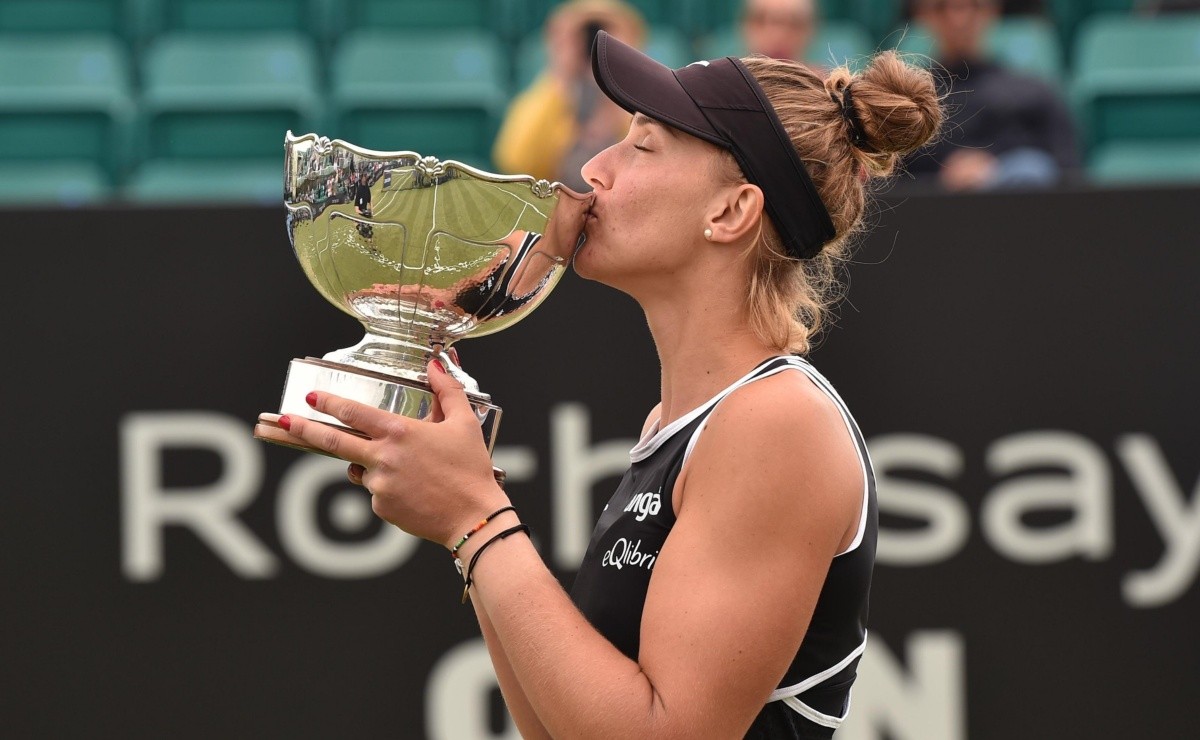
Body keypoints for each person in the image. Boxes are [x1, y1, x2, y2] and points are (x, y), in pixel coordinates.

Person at [274, 31, 940, 739]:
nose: (595, 168)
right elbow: (558, 729)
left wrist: (477, 518)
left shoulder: (775, 423)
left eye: (643, 147)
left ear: (730, 212)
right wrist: (462, 522)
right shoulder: (678, 420)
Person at [904, 0, 1079, 189]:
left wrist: (994, 168)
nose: (958, 19)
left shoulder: (1034, 93)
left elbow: (1068, 170)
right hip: (930, 211)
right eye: (941, 7)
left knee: (1031, 167)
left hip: (1018, 210)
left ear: (991, 10)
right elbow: (889, 182)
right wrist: (946, 177)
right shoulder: (908, 102)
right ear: (922, 15)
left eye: (973, 5)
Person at [492, 0, 646, 190]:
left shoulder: (645, 104)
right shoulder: (545, 97)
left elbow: (650, 164)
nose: (592, 44)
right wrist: (562, 75)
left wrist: (619, 77)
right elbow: (514, 160)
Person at [741, 0, 819, 61]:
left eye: (794, 23)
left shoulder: (819, 80)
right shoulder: (731, 79)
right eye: (761, 20)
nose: (778, 36)